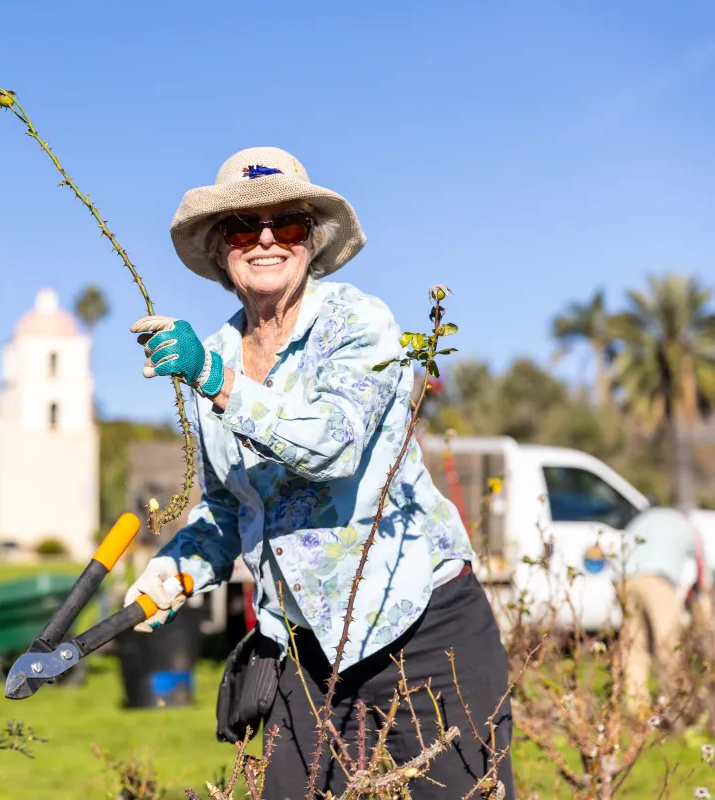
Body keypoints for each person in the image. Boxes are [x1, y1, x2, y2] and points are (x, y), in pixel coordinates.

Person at [122, 147, 513, 798]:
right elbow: (228, 508)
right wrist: (177, 568)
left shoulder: (356, 324)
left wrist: (215, 381)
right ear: (223, 248)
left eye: (289, 223)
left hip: (421, 628)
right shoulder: (213, 354)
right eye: (245, 226)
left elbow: (330, 446)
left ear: (312, 241)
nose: (267, 238)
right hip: (303, 650)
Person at [620, 505, 705, 707]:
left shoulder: (643, 519)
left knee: (634, 644)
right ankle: (674, 701)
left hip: (624, 579)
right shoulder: (688, 526)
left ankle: (635, 704)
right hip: (657, 580)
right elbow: (702, 568)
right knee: (667, 642)